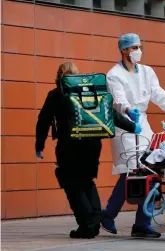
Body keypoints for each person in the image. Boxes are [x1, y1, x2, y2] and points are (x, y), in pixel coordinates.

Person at [35, 62, 142, 239]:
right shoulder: (92, 92)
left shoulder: (56, 94)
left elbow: (43, 120)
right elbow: (112, 115)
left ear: (59, 78)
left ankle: (86, 226)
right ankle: (94, 221)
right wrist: (132, 126)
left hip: (69, 145)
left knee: (72, 184)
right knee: (87, 181)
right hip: (93, 144)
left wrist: (39, 144)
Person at [101, 33, 165, 238]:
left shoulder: (147, 72)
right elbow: (118, 100)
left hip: (143, 124)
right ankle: (112, 215)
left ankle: (140, 221)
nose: (138, 51)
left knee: (149, 169)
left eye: (139, 46)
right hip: (126, 125)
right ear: (123, 50)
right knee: (131, 170)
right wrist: (129, 111)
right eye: (134, 47)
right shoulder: (114, 75)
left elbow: (157, 92)